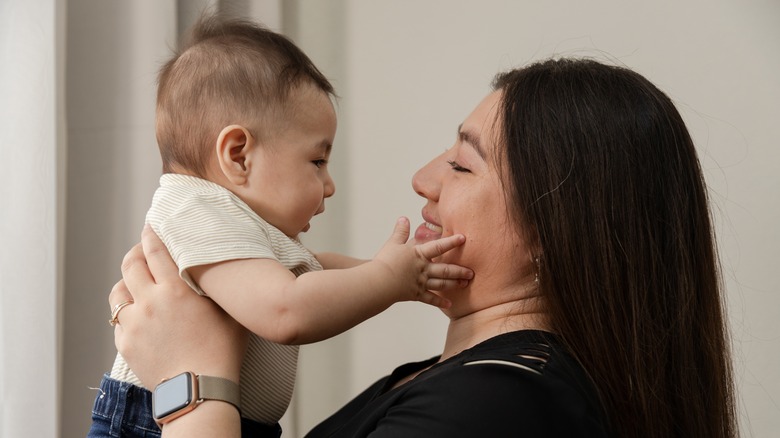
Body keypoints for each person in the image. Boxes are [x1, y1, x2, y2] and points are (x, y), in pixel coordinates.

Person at [110, 57, 738, 437]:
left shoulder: (494, 408)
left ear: (556, 231)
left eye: (463, 166)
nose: (423, 178)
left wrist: (188, 381)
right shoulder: (463, 386)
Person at [89, 15, 473, 438]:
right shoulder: (195, 208)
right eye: (317, 161)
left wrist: (398, 271)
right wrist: (388, 279)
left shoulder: (238, 223)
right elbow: (286, 310)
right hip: (153, 420)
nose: (329, 186)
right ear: (238, 156)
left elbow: (312, 269)